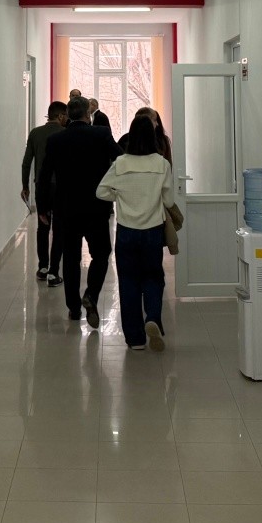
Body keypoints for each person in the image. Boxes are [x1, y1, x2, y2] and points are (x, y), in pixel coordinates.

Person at [39, 96, 120, 326]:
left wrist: (42, 207)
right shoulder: (101, 134)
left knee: (71, 258)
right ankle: (91, 295)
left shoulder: (56, 140)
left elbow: (44, 175)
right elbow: (121, 159)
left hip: (66, 209)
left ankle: (74, 308)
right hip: (96, 207)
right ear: (88, 114)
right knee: (101, 254)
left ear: (68, 116)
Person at [97, 115, 177, 351]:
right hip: (152, 230)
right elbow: (169, 200)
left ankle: (135, 339)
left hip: (126, 231)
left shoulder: (121, 163)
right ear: (153, 137)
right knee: (153, 277)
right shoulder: (161, 164)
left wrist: (119, 196)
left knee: (128, 281)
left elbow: (101, 191)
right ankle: (152, 317)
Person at [21, 101, 68, 284]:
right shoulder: (65, 133)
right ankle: (53, 272)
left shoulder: (35, 133)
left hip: (41, 187)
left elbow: (26, 162)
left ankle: (42, 267)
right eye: (65, 116)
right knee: (59, 228)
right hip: (60, 187)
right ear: (60, 116)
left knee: (43, 226)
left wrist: (25, 186)